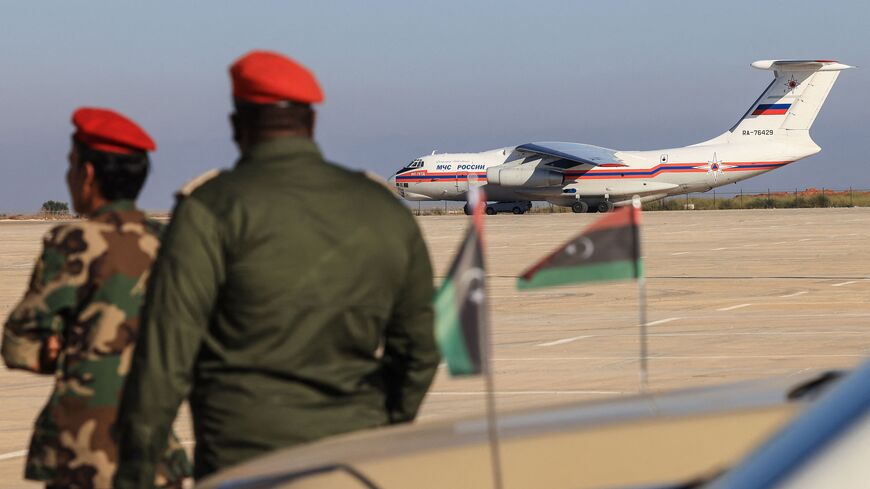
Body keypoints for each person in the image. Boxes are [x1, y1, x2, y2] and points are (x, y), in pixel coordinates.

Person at [114, 50, 440, 485]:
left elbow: (164, 358)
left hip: (243, 458)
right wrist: (381, 424)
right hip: (353, 460)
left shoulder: (210, 210)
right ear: (312, 123)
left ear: (236, 126)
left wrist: (135, 471)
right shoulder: (382, 209)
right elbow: (420, 349)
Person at [1, 108, 191, 488]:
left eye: (72, 165)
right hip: (153, 446)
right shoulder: (172, 243)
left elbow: (18, 344)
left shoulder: (74, 243)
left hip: (82, 449)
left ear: (87, 175)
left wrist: (65, 347)